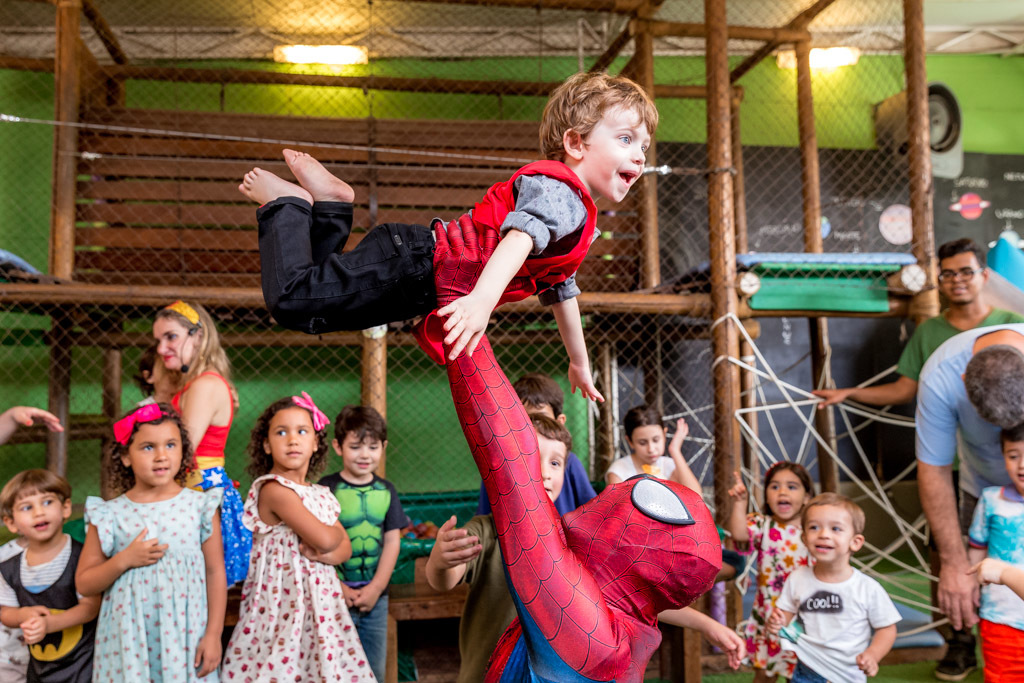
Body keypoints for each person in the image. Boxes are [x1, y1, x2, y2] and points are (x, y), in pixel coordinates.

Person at [241, 70, 658, 395]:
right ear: (576, 142)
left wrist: (579, 362)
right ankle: (287, 203)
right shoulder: (561, 195)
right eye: (625, 139)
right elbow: (518, 239)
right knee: (292, 299)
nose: (639, 156)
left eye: (644, 146)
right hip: (416, 265)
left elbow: (559, 287)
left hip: (415, 271)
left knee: (313, 303)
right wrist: (480, 302)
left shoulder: (573, 209)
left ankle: (331, 206)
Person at [432, 215, 721, 681]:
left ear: (635, 553)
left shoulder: (588, 631)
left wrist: (459, 300)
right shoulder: (628, 618)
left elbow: (512, 467)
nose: (619, 487)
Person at [429, 413, 745, 681]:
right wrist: (441, 561)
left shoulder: (578, 540)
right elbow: (444, 580)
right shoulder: (486, 530)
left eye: (554, 462)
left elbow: (632, 604)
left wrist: (707, 624)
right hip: (486, 673)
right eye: (530, 458)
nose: (543, 472)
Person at [221, 394, 373, 682]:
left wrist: (329, 548)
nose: (292, 439)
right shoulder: (274, 490)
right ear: (266, 445)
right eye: (281, 432)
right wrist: (329, 546)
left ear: (315, 442)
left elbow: (345, 548)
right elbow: (330, 540)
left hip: (320, 605)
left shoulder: (318, 494)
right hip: (282, 606)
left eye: (302, 431)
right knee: (280, 667)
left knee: (318, 667)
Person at [76, 404, 226, 681]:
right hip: (127, 644)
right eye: (147, 447)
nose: (161, 456)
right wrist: (123, 560)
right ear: (125, 457)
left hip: (187, 639)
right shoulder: (109, 514)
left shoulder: (200, 506)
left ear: (183, 451)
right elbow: (84, 583)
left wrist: (214, 635)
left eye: (171, 445)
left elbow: (215, 571)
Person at [915, 321, 1024, 675]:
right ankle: (961, 639)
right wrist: (952, 562)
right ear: (964, 381)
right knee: (954, 558)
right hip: (979, 484)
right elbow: (934, 469)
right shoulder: (940, 376)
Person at [813, 238, 1024, 409]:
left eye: (966, 272)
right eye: (948, 274)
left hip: (1009, 451)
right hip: (951, 451)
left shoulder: (1014, 324)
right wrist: (849, 393)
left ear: (984, 276)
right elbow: (903, 391)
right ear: (939, 281)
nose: (957, 279)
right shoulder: (928, 331)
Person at [153, 300, 251, 586]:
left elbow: (179, 449)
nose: (161, 349)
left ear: (198, 336)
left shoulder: (205, 385)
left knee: (199, 585)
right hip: (190, 489)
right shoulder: (188, 385)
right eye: (158, 340)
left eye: (171, 337)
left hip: (198, 490)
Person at [768, 493, 901, 683]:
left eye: (836, 528)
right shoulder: (797, 578)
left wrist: (873, 655)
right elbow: (784, 615)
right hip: (807, 669)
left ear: (855, 542)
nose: (824, 534)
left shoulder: (867, 588)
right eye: (814, 527)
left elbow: (887, 629)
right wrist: (777, 622)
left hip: (849, 673)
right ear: (804, 538)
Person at [318, 405, 408, 682]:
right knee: (332, 671)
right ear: (338, 446)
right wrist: (337, 587)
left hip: (376, 600)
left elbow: (392, 541)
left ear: (383, 447)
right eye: (356, 446)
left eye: (372, 447)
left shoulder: (386, 490)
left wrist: (376, 588)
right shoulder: (326, 488)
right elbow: (318, 543)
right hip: (333, 596)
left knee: (373, 673)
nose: (365, 455)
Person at [0, 470, 100, 682]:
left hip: (83, 666)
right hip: (40, 669)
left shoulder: (82, 556)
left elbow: (91, 607)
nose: (39, 513)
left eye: (47, 503)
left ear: (65, 508)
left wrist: (50, 624)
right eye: (27, 507)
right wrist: (23, 615)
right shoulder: (8, 569)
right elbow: (6, 611)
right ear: (11, 523)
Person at [726, 462, 814, 682]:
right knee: (765, 674)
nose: (782, 492)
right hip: (769, 614)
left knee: (802, 673)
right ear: (767, 495)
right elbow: (738, 532)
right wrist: (740, 503)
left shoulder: (814, 530)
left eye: (792, 487)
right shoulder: (764, 525)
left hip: (803, 617)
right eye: (774, 487)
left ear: (807, 497)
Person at [477, 372, 597, 516]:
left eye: (540, 419)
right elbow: (482, 522)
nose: (532, 429)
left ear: (559, 423)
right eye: (524, 422)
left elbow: (594, 512)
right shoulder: (498, 467)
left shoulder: (570, 463)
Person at [965, 423, 1024, 681]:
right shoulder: (991, 499)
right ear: (1003, 457)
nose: (1022, 464)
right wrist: (970, 592)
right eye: (1014, 455)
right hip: (1001, 617)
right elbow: (976, 551)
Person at [605, 404, 701, 492]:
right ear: (630, 441)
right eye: (642, 443)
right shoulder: (619, 471)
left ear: (664, 435)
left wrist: (675, 450)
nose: (651, 449)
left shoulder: (668, 464)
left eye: (656, 440)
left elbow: (697, 497)